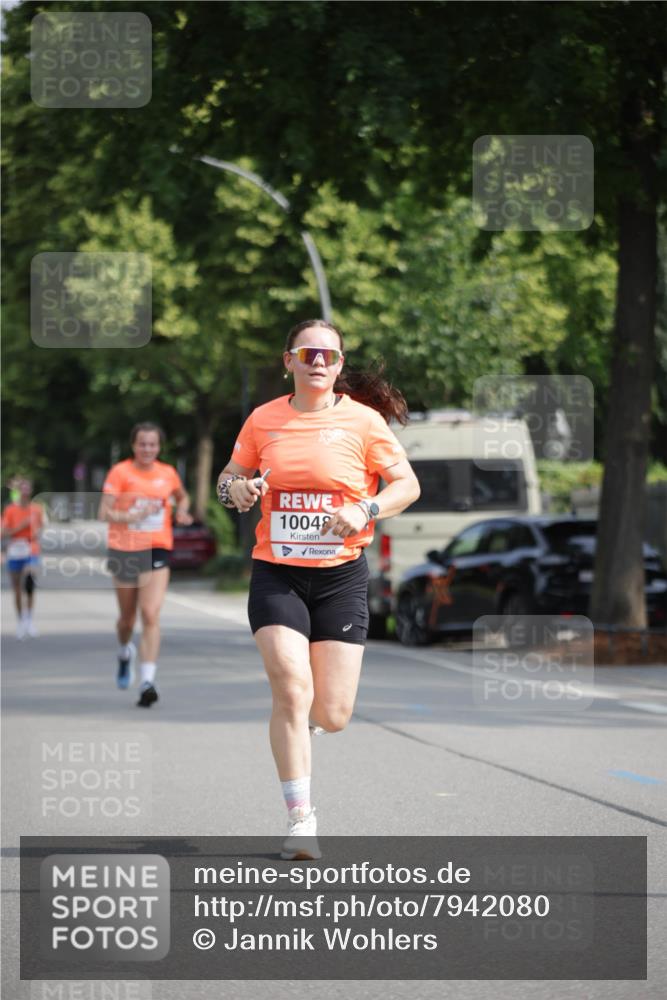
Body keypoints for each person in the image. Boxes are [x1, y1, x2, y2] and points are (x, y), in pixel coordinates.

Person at [217, 319, 420, 859]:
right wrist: (238, 490)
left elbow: (407, 485)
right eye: (308, 353)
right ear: (289, 361)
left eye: (329, 356)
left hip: (341, 577)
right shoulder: (263, 419)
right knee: (290, 687)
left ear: (339, 365)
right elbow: (228, 480)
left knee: (332, 714)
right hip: (277, 572)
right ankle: (301, 819)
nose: (318, 362)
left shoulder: (364, 422)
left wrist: (365, 508)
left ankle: (303, 724)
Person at [98, 423, 193, 707]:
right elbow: (104, 512)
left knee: (150, 613)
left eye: (152, 444)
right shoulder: (120, 472)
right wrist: (132, 516)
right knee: (127, 620)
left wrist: (182, 510)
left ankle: (147, 681)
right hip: (125, 549)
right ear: (133, 446)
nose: (147, 449)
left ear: (159, 447)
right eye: (142, 444)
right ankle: (124, 651)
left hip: (156, 547)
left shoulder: (168, 473)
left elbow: (182, 496)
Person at [1, 477, 44, 639]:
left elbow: (40, 528)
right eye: (22, 489)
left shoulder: (37, 509)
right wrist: (22, 526)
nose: (25, 492)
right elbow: (4, 533)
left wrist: (37, 532)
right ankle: (21, 621)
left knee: (29, 581)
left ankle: (29, 620)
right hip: (14, 550)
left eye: (27, 489)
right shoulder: (10, 510)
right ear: (18, 492)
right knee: (17, 588)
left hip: (31, 548)